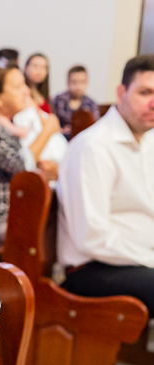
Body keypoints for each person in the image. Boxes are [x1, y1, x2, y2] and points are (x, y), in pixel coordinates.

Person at [57, 55, 154, 313]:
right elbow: (93, 237)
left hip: (138, 261)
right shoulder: (94, 147)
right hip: (94, 269)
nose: (153, 103)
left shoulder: (149, 141)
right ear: (121, 92)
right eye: (145, 92)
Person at [0, 60, 58, 246]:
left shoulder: (10, 125)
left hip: (22, 212)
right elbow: (21, 167)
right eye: (18, 86)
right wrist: (48, 130)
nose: (27, 91)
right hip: (1, 220)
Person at [51, 65, 100, 136]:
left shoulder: (91, 105)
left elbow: (95, 128)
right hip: (61, 138)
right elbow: (51, 123)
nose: (78, 86)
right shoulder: (58, 100)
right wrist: (60, 130)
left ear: (87, 82)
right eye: (74, 82)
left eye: (82, 82)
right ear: (68, 82)